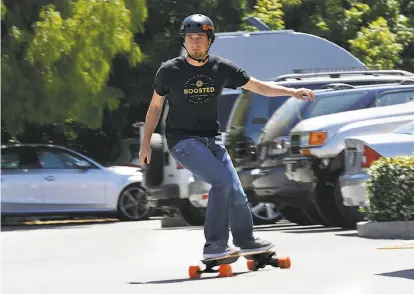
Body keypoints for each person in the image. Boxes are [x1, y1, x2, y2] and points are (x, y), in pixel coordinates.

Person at [139, 14, 315, 259]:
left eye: (200, 38)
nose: (195, 43)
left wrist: (292, 91)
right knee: (221, 182)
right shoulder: (170, 71)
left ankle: (246, 240)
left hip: (212, 139)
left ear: (209, 40)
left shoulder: (221, 68)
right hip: (183, 141)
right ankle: (214, 245)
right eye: (190, 38)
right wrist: (146, 142)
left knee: (235, 189)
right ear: (185, 41)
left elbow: (259, 86)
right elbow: (155, 107)